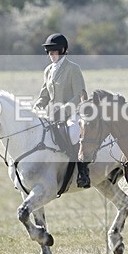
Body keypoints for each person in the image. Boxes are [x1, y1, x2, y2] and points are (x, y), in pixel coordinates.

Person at [34, 33, 91, 188]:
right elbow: (45, 93)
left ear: (63, 50)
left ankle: (82, 173)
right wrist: (39, 104)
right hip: (52, 114)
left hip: (72, 112)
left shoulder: (73, 68)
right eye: (49, 52)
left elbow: (79, 94)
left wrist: (64, 110)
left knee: (74, 134)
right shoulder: (48, 70)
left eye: (54, 52)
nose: (51, 55)